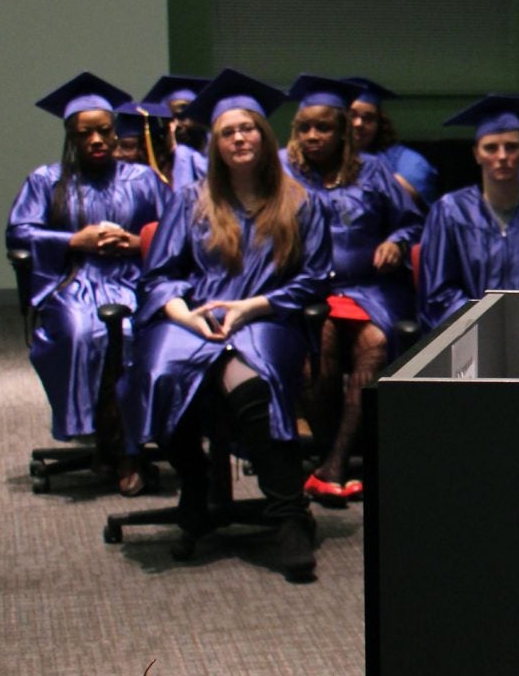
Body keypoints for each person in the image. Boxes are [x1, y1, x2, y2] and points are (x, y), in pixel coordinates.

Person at [125, 69, 333, 582]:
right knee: (158, 375)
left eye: (249, 129)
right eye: (228, 132)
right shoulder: (190, 200)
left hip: (268, 316)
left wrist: (251, 306)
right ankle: (194, 484)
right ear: (215, 144)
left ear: (264, 135)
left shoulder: (302, 201)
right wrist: (184, 314)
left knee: (252, 383)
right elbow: (158, 276)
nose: (240, 138)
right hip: (193, 316)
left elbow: (316, 280)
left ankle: (287, 516)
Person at [8, 72, 171, 496]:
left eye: (104, 131)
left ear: (115, 131)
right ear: (71, 137)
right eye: (86, 134)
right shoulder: (47, 181)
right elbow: (19, 233)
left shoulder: (143, 179)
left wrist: (137, 242)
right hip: (75, 281)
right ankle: (112, 444)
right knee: (83, 332)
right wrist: (72, 240)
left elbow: (175, 232)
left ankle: (125, 446)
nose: (97, 140)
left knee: (136, 334)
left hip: (133, 280)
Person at [281, 74, 423, 505]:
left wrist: (395, 241)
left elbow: (413, 221)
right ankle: (333, 455)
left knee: (375, 344)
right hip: (307, 290)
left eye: (323, 127)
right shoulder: (283, 172)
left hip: (370, 288)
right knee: (316, 343)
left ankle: (334, 463)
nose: (312, 136)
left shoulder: (374, 170)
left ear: (343, 130)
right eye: (305, 127)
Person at [417, 94, 519, 329]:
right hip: (468, 335)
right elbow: (440, 293)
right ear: (476, 154)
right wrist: (484, 325)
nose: (502, 156)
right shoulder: (450, 212)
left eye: (511, 147)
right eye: (491, 148)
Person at [342, 76, 440, 206]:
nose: (359, 123)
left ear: (379, 124)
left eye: (369, 118)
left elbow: (400, 196)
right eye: (352, 115)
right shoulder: (322, 157)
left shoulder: (401, 158)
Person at [143, 74, 212, 156]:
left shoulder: (214, 148)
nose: (180, 124)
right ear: (164, 121)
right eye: (176, 117)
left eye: (189, 115)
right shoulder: (155, 155)